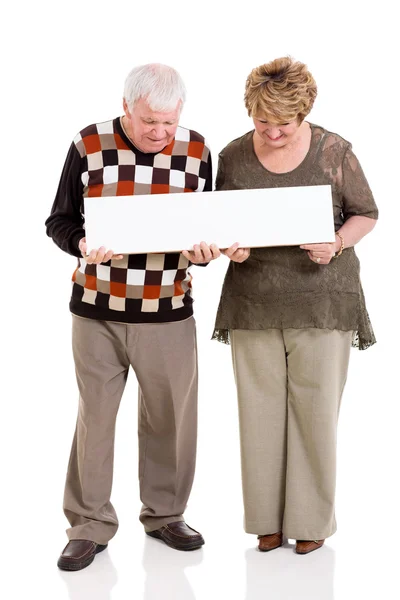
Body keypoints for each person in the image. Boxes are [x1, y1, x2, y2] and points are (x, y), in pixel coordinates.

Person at [46, 63, 220, 571]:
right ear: (126, 107)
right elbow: (58, 220)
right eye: (149, 122)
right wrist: (79, 243)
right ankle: (88, 525)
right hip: (97, 311)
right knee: (94, 421)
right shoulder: (88, 144)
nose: (160, 133)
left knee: (171, 420)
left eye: (169, 122)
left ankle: (166, 514)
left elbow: (206, 228)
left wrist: (205, 255)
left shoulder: (198, 151)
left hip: (167, 311)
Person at [212, 57, 378, 555]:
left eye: (283, 124)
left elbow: (366, 213)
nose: (273, 133)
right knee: (257, 413)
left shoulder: (334, 150)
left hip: (323, 301)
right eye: (263, 123)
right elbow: (221, 220)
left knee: (314, 412)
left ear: (303, 114)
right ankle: (266, 520)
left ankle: (310, 523)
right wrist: (230, 247)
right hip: (254, 300)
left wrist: (338, 242)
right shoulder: (233, 156)